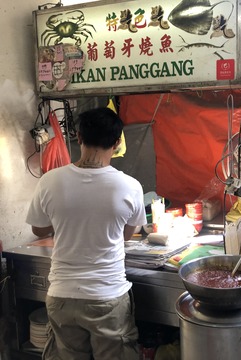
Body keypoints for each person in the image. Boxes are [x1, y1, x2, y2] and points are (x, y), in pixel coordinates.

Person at [26, 107, 146, 360]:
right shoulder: (130, 186)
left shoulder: (49, 181)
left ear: (78, 137)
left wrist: (65, 218)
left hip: (61, 296)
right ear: (116, 143)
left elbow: (38, 228)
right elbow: (126, 235)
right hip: (107, 296)